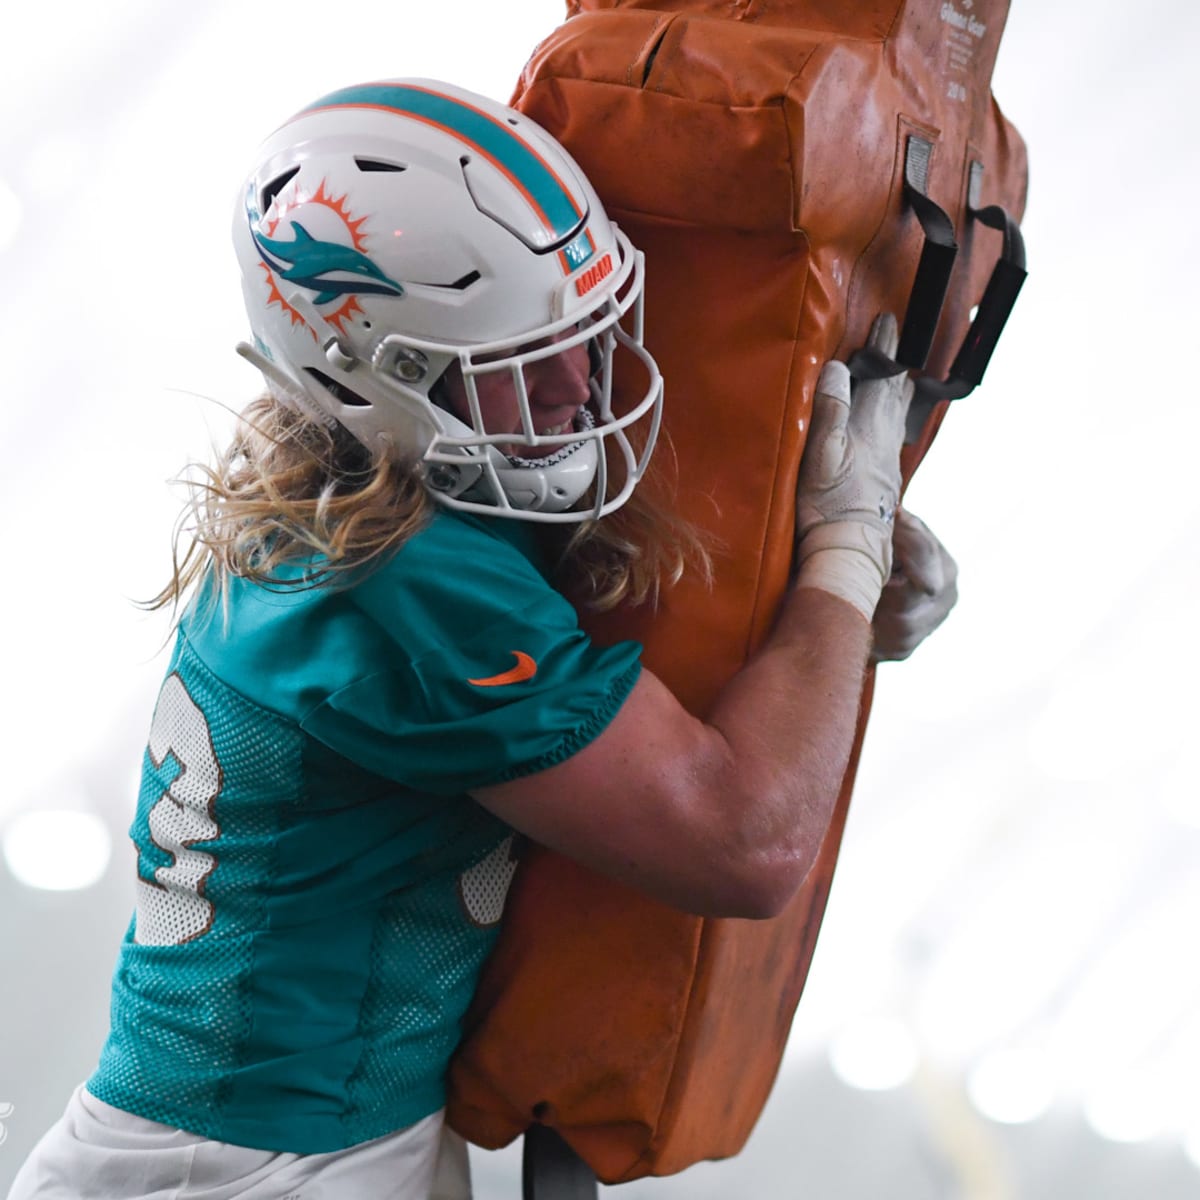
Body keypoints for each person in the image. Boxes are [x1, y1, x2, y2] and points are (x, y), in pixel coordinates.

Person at [7, 78, 956, 1200]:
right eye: (523, 361)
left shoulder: (370, 511)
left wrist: (826, 627)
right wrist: (841, 556)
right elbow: (743, 843)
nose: (576, 391)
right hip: (260, 1166)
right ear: (375, 380)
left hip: (276, 1136)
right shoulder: (399, 582)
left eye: (589, 336)